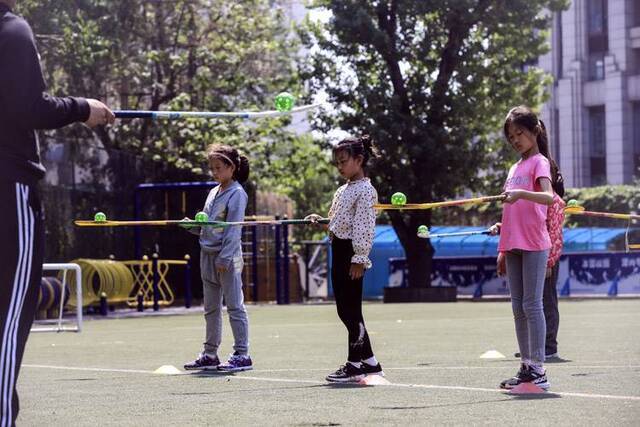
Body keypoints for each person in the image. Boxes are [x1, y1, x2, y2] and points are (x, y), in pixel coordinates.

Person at [0, 1, 114, 425]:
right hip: (9, 190)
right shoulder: (11, 30)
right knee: (8, 317)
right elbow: (30, 107)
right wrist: (83, 108)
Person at [306, 135, 383, 383]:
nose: (339, 166)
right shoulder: (344, 189)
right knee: (345, 310)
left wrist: (359, 258)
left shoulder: (366, 190)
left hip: (351, 254)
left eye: (343, 161)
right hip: (338, 250)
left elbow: (363, 227)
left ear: (359, 160)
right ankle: (370, 361)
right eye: (336, 162)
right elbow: (339, 223)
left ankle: (354, 364)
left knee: (351, 311)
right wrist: (322, 221)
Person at [494, 106, 555, 391]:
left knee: (532, 304)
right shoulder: (514, 167)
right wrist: (501, 232)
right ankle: (526, 366)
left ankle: (539, 370)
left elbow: (547, 197)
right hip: (512, 242)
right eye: (511, 136)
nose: (516, 139)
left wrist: (519, 194)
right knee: (518, 307)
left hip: (533, 242)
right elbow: (516, 209)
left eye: (520, 133)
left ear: (534, 131)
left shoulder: (540, 162)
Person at [183, 144, 253, 372]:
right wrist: (191, 226)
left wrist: (224, 258)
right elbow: (208, 227)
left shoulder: (238, 193)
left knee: (234, 306)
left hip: (227, 259)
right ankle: (210, 353)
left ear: (232, 168)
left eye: (219, 168)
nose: (215, 172)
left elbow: (233, 230)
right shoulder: (214, 192)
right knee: (211, 308)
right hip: (207, 255)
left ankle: (242, 354)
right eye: (212, 168)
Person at [494, 168, 566, 361]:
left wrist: (549, 262)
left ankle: (549, 347)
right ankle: (532, 349)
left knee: (545, 302)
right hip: (531, 251)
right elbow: (526, 222)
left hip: (545, 256)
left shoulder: (554, 202)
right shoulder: (533, 199)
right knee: (528, 304)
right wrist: (501, 229)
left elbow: (553, 233)